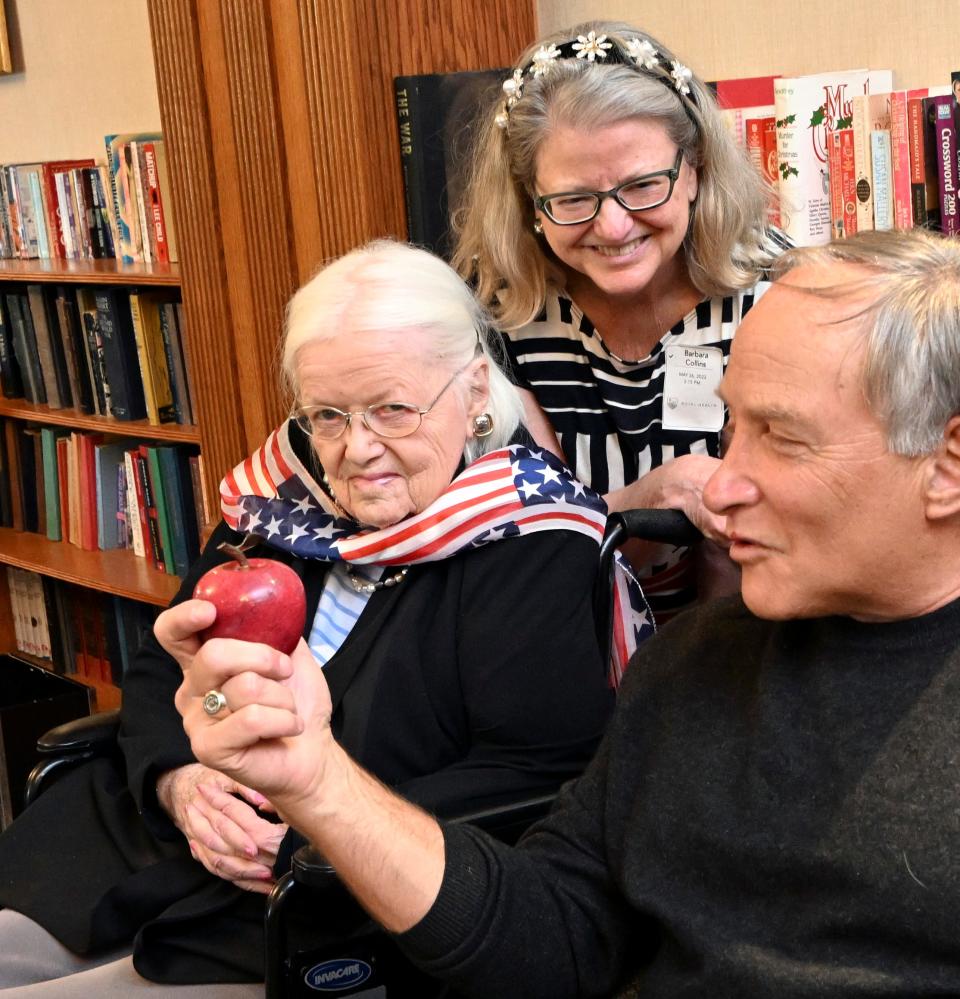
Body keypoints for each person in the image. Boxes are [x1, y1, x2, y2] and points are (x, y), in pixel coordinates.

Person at [174, 228, 960, 998]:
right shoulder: (694, 665)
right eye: (731, 428)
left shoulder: (537, 548)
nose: (715, 487)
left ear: (947, 465)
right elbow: (554, 939)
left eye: (783, 439)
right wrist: (317, 781)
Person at [0, 240, 628, 995]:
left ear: (474, 391)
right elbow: (167, 666)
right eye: (328, 414)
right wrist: (181, 778)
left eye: (392, 409)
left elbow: (534, 775)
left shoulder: (532, 538)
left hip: (316, 897)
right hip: (151, 836)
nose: (357, 449)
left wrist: (300, 818)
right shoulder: (282, 503)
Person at [453, 19, 786, 614]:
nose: (614, 227)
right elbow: (517, 548)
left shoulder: (784, 297)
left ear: (694, 170)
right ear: (530, 201)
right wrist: (646, 498)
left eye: (643, 185)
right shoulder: (498, 322)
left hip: (761, 635)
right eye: (575, 199)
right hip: (569, 635)